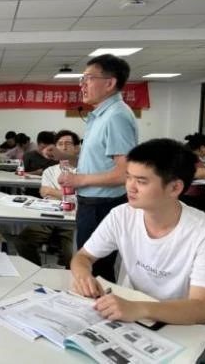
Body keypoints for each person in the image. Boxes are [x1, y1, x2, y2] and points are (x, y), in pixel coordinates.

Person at [71, 139, 205, 325]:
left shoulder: (202, 232)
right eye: (128, 177)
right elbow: (83, 257)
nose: (130, 187)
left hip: (180, 326)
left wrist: (140, 309)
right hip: (129, 319)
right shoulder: (121, 215)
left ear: (175, 188)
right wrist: (83, 276)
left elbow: (202, 308)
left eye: (141, 181)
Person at [59, 54, 138, 282]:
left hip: (101, 207)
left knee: (95, 271)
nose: (82, 85)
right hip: (92, 205)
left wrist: (79, 180)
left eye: (88, 78)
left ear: (110, 83)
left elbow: (125, 172)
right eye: (82, 79)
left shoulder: (116, 116)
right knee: (91, 268)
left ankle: (103, 304)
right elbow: (100, 160)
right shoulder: (101, 115)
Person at [15, 130, 80, 267]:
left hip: (72, 219)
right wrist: (66, 194)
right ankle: (37, 271)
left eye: (68, 143)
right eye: (60, 144)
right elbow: (46, 195)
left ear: (76, 148)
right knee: (23, 241)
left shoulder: (84, 171)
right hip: (49, 216)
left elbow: (78, 199)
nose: (64, 147)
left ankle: (70, 278)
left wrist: (52, 191)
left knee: (72, 255)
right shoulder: (49, 171)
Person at [181, 132, 205, 212]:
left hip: (196, 196)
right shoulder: (185, 156)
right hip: (189, 198)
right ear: (202, 147)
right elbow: (195, 173)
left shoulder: (194, 156)